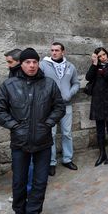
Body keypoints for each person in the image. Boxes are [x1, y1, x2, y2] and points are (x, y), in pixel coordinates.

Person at [0, 48, 66, 214]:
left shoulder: (49, 84)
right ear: (21, 64)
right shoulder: (9, 85)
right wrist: (15, 127)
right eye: (27, 62)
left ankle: (33, 212)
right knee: (19, 181)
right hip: (19, 143)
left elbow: (59, 107)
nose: (31, 65)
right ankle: (19, 211)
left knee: (40, 182)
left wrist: (47, 124)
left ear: (38, 63)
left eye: (34, 62)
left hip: (43, 142)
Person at [40, 42, 80, 176]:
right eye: (52, 50)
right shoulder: (43, 65)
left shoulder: (70, 66)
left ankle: (67, 159)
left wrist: (70, 93)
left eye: (57, 50)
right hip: (49, 107)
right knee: (50, 134)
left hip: (66, 106)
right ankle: (51, 162)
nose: (54, 53)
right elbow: (38, 83)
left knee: (67, 133)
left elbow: (76, 83)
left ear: (63, 52)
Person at [3, 48, 34, 200]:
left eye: (10, 62)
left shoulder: (23, 76)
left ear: (18, 61)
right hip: (17, 125)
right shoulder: (13, 74)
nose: (8, 65)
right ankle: (22, 190)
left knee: (27, 161)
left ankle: (27, 191)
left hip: (25, 125)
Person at [85, 47, 108, 166]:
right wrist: (94, 64)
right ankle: (102, 154)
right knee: (99, 129)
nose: (102, 57)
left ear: (107, 53)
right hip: (97, 100)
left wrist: (104, 73)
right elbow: (88, 78)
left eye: (104, 54)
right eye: (99, 56)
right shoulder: (96, 66)